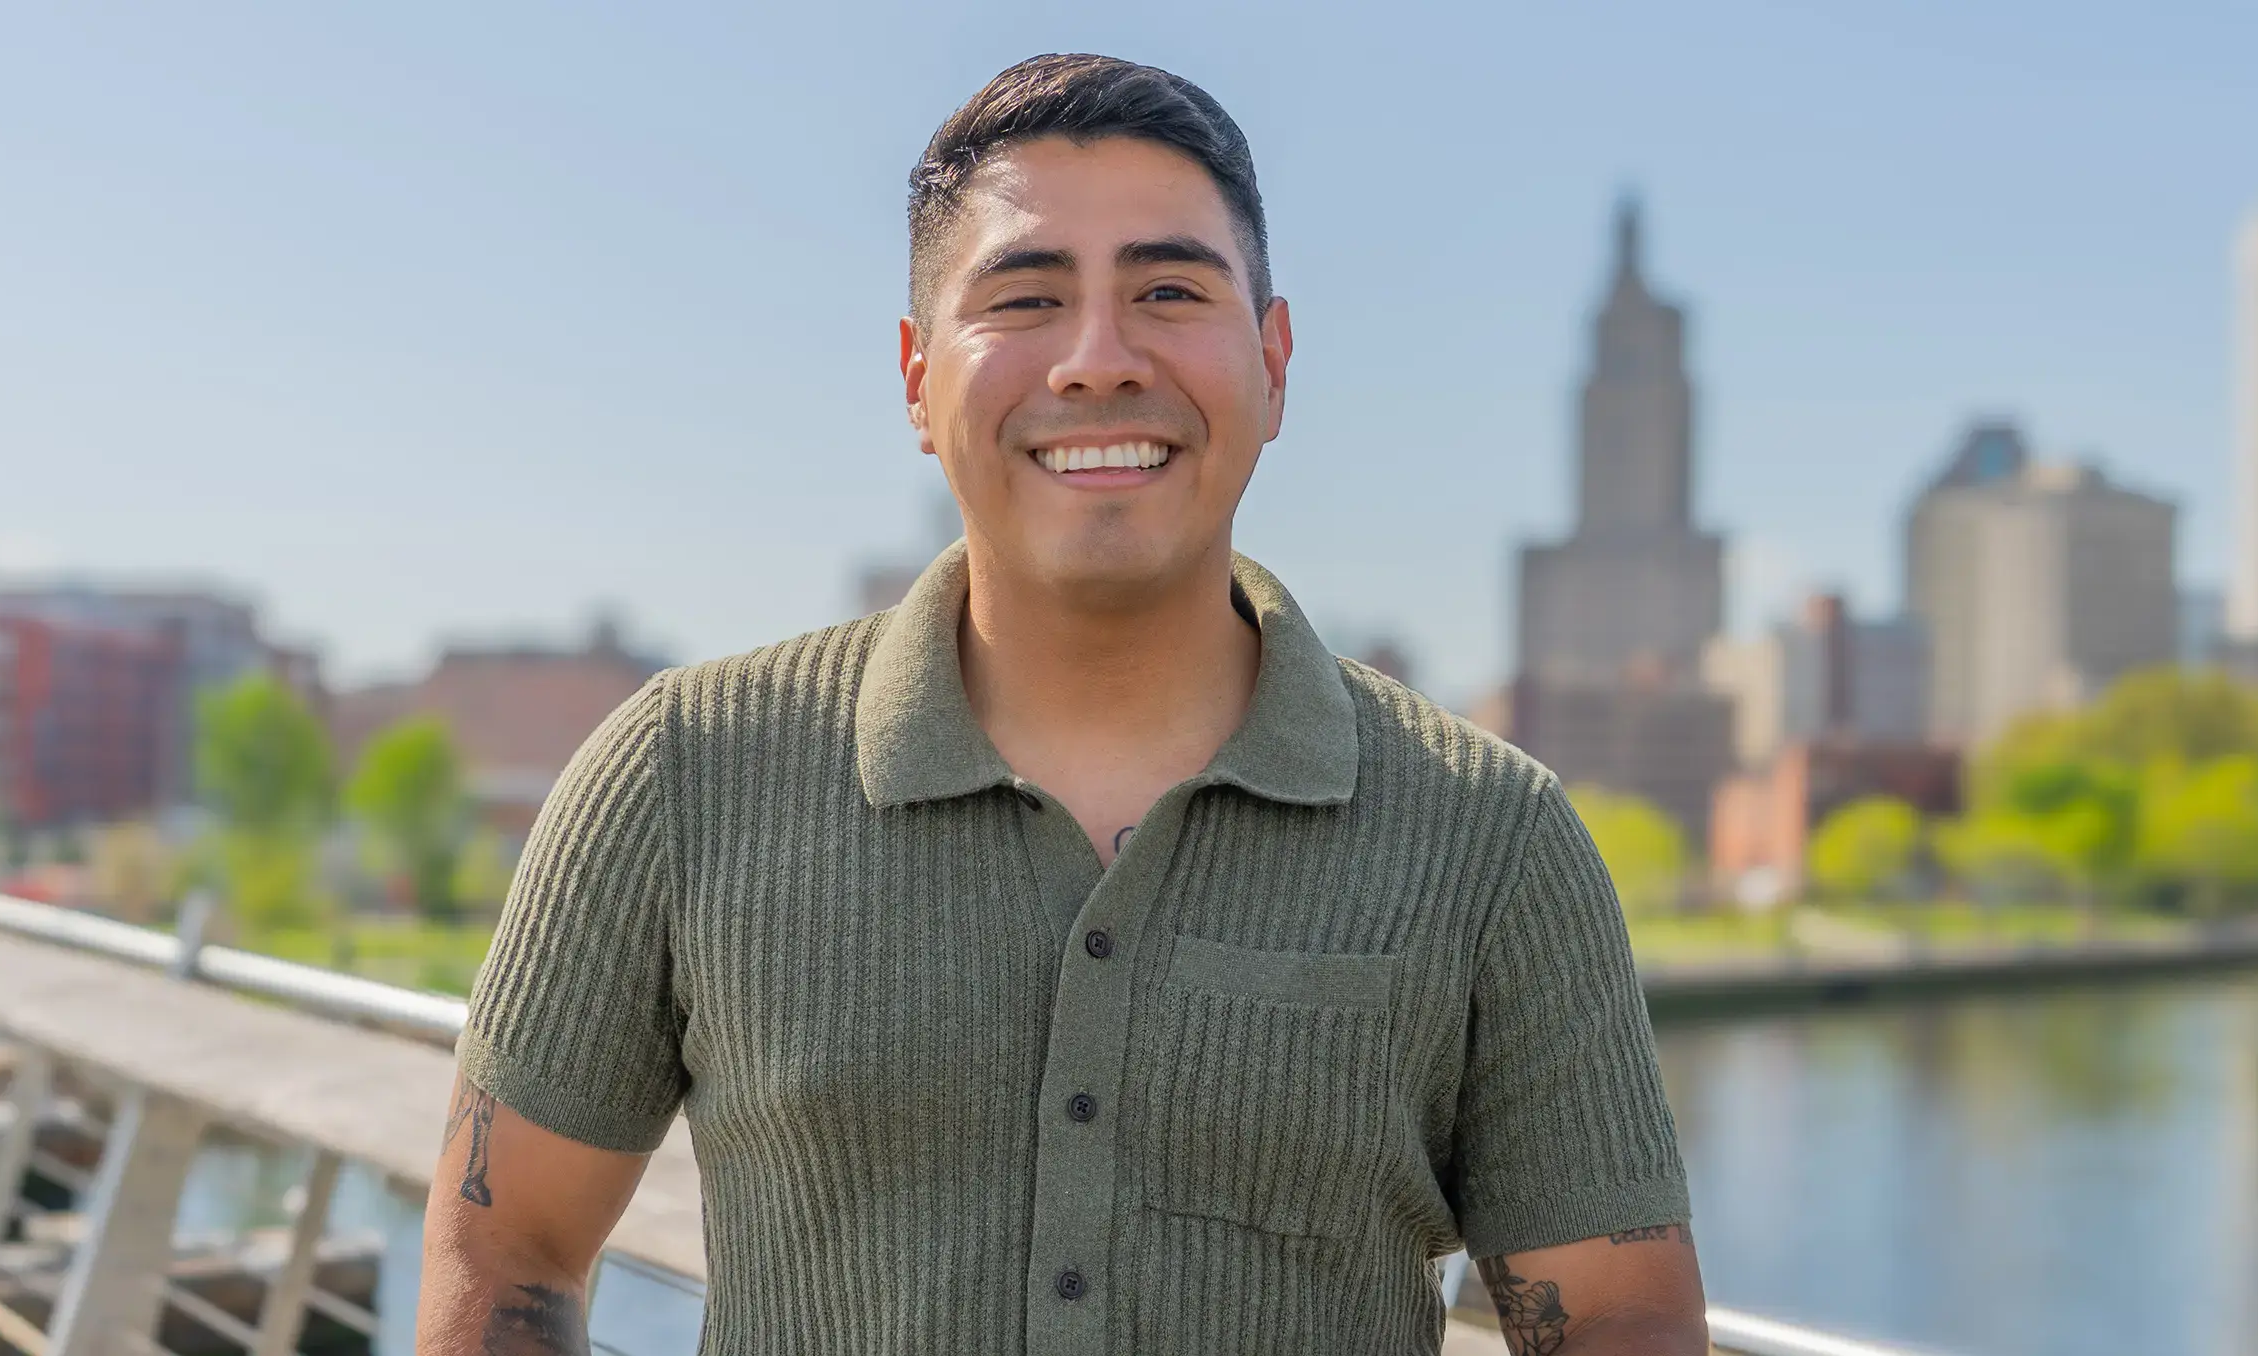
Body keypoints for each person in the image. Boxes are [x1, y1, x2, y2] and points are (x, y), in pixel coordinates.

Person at [415, 52, 1706, 1356]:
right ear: (919, 378)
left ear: (1273, 359)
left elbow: (1618, 1321)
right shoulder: (677, 775)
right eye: (1025, 299)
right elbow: (505, 1242)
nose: (1097, 359)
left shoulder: (1494, 839)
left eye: (1167, 290)